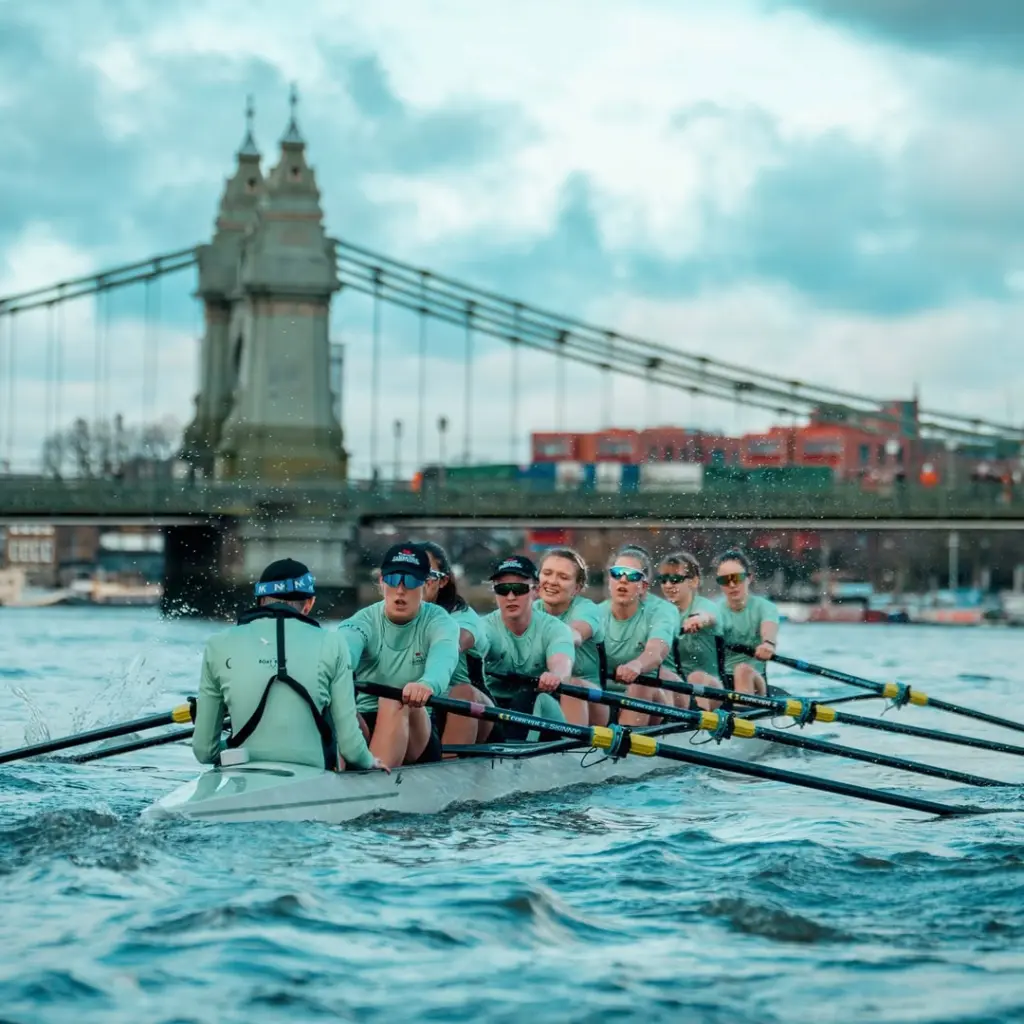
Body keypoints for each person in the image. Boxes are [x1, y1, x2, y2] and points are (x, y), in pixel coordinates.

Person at [192, 558, 387, 773]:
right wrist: (369, 762)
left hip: (240, 771)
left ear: (260, 600)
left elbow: (204, 751)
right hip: (312, 774)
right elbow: (351, 748)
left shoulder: (218, 644)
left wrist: (230, 750)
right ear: (309, 603)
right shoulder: (333, 643)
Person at [339, 543, 460, 768]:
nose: (401, 590)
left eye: (411, 581)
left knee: (393, 698)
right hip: (365, 723)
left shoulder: (440, 621)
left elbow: (444, 659)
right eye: (393, 580)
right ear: (382, 581)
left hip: (417, 730)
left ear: (425, 583)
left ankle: (374, 783)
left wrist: (427, 683)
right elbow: (343, 655)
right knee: (332, 707)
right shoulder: (359, 623)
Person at [480, 553, 575, 740]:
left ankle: (513, 752)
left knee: (528, 695)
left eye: (519, 589)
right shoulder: (483, 628)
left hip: (541, 710)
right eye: (502, 589)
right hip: (495, 707)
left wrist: (555, 675)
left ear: (536, 591)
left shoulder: (554, 628)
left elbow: (562, 660)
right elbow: (475, 645)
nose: (510, 596)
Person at [420, 540, 494, 748]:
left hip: (470, 710)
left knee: (463, 692)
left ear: (443, 581)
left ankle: (450, 762)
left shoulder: (463, 617)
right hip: (420, 710)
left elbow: (450, 646)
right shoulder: (382, 618)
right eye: (411, 574)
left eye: (427, 575)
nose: (417, 582)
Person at [600, 545, 681, 727]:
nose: (623, 580)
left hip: (660, 694)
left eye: (632, 576)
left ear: (643, 586)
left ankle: (628, 738)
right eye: (617, 573)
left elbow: (656, 651)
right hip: (610, 697)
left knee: (641, 683)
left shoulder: (663, 610)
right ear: (609, 580)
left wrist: (637, 665)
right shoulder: (595, 613)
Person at [535, 547, 606, 727]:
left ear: (577, 588)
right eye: (547, 573)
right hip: (545, 692)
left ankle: (572, 740)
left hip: (591, 698)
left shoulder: (587, 609)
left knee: (571, 685)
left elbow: (574, 634)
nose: (552, 581)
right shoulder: (531, 610)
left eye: (563, 577)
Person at [656, 550, 726, 702]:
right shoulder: (660, 612)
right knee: (660, 674)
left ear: (693, 582)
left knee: (696, 676)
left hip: (712, 691)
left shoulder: (705, 605)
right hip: (679, 689)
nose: (668, 585)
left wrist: (697, 620)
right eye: (663, 579)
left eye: (675, 579)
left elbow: (707, 616)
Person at [715, 549, 778, 696]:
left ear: (749, 578)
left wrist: (768, 644)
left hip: (755, 682)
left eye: (737, 578)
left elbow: (769, 627)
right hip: (721, 683)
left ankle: (743, 708)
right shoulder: (714, 610)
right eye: (725, 580)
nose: (731, 584)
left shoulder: (765, 607)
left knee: (742, 670)